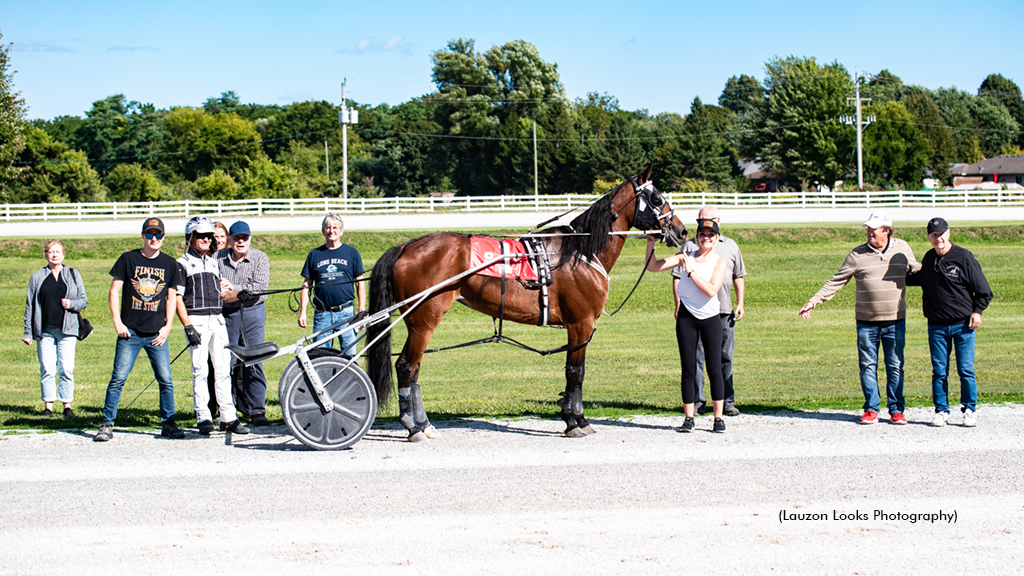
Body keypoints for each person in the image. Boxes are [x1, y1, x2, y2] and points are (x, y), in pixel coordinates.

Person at [798, 212, 920, 425]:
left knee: (895, 365)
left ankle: (896, 410)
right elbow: (836, 281)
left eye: (874, 228)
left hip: (895, 320)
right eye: (868, 228)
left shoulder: (903, 248)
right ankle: (871, 409)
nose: (869, 232)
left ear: (886, 230)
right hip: (866, 321)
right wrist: (814, 300)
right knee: (867, 365)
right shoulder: (857, 255)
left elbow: (917, 271)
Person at [94, 218, 185, 442]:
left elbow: (171, 297)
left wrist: (168, 327)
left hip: (157, 334)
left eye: (158, 235)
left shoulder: (170, 264)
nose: (154, 239)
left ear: (164, 237)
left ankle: (168, 423)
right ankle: (107, 423)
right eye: (150, 234)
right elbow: (114, 291)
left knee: (165, 379)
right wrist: (118, 322)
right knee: (118, 378)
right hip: (131, 332)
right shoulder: (128, 259)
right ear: (142, 236)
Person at [906, 217, 993, 427]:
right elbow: (917, 279)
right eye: (934, 235)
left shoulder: (963, 257)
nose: (938, 239)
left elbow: (984, 290)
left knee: (965, 369)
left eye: (941, 234)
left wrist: (977, 311)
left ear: (949, 233)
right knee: (939, 370)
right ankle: (941, 410)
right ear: (929, 237)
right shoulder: (929, 259)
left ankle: (969, 409)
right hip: (936, 325)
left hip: (963, 325)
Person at [647, 218, 729, 433]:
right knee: (689, 368)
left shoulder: (720, 262)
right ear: (697, 237)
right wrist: (650, 244)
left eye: (711, 235)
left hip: (711, 317)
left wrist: (691, 272)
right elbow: (653, 267)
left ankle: (718, 418)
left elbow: (711, 290)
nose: (706, 238)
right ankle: (689, 418)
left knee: (714, 368)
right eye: (702, 234)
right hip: (687, 316)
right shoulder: (685, 257)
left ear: (717, 238)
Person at [175, 216, 249, 436]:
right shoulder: (182, 264)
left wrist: (239, 295)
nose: (207, 239)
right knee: (200, 370)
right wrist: (188, 326)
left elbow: (222, 296)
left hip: (217, 320)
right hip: (196, 320)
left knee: (223, 368)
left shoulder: (214, 262)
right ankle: (203, 416)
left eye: (209, 236)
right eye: (201, 235)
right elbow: (177, 298)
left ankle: (229, 416)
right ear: (191, 237)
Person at [671, 206, 746, 416]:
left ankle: (726, 402)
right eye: (700, 221)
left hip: (723, 309)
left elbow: (738, 275)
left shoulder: (730, 246)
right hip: (694, 311)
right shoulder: (689, 247)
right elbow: (677, 277)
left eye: (709, 221)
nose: (704, 225)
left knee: (724, 358)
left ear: (718, 221)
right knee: (695, 359)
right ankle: (696, 400)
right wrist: (678, 304)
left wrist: (740, 302)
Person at [23, 239, 87, 418]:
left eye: (58, 251)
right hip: (45, 331)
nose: (54, 255)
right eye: (51, 252)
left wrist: (71, 304)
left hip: (68, 330)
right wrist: (28, 332)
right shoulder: (37, 277)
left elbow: (83, 300)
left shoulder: (73, 274)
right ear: (46, 255)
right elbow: (30, 305)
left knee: (66, 368)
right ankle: (48, 406)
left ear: (63, 254)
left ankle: (67, 405)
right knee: (47, 368)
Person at [218, 220, 272, 427]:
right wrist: (235, 293)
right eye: (237, 238)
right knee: (227, 362)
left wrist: (233, 289)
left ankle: (256, 409)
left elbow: (258, 288)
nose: (241, 241)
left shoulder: (260, 258)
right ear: (230, 239)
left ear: (250, 238)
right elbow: (217, 288)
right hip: (227, 314)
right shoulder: (218, 258)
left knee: (255, 358)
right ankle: (228, 411)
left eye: (245, 238)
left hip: (253, 312)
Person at [299, 213, 366, 354]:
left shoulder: (352, 253)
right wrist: (303, 312)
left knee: (350, 357)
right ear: (323, 231)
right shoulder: (314, 254)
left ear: (341, 230)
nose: (331, 231)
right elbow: (307, 285)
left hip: (346, 313)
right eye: (328, 227)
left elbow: (360, 283)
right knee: (320, 357)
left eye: (335, 227)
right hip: (322, 314)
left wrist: (361, 309)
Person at [204, 221, 231, 419]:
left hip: (226, 314)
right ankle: (209, 407)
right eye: (215, 237)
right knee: (207, 365)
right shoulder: (204, 258)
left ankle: (228, 408)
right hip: (206, 316)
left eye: (222, 236)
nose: (219, 240)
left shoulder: (226, 258)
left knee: (224, 364)